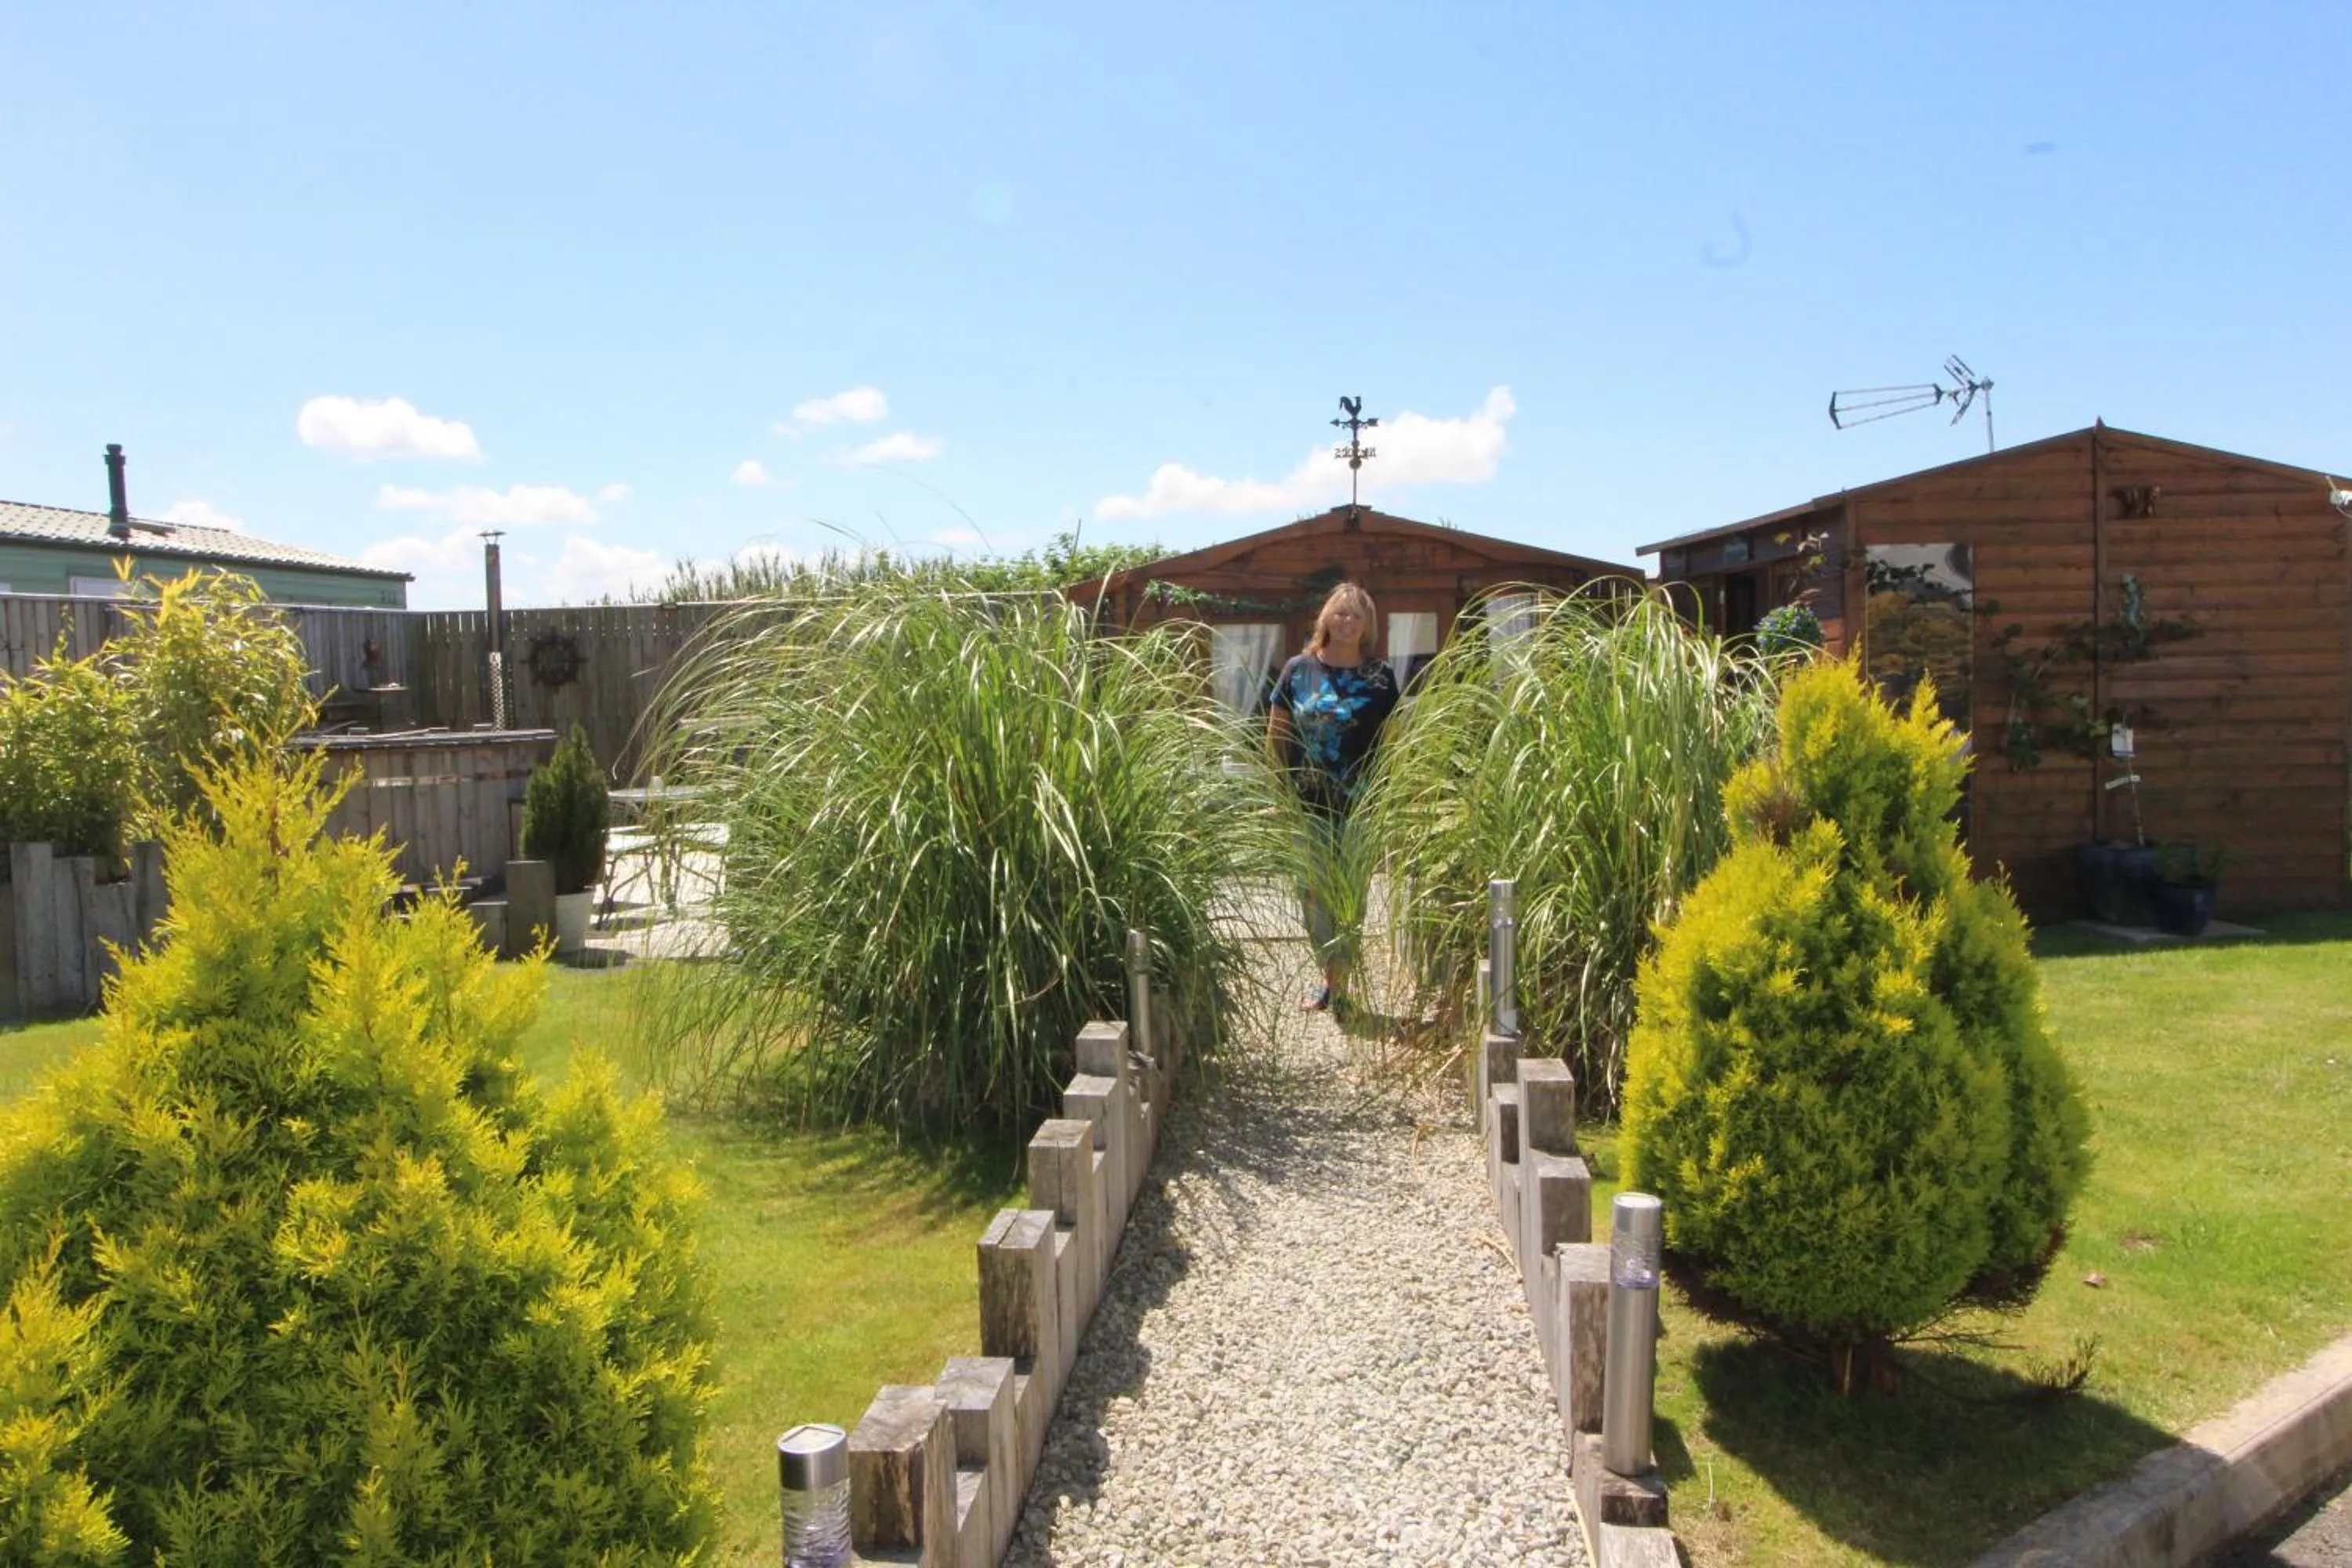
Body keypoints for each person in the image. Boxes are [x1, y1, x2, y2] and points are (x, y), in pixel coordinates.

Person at [1265, 582, 1399, 1013]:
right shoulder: (1298, 669)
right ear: (1325, 618)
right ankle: (1331, 978)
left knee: (1352, 898)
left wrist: (1391, 795)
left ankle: (1339, 985)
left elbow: (1392, 741)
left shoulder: (1380, 678)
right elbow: (1276, 735)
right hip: (1308, 804)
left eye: (1356, 615)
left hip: (1362, 805)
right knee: (1313, 892)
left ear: (1367, 626)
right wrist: (1279, 791)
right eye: (1339, 613)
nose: (1347, 621)